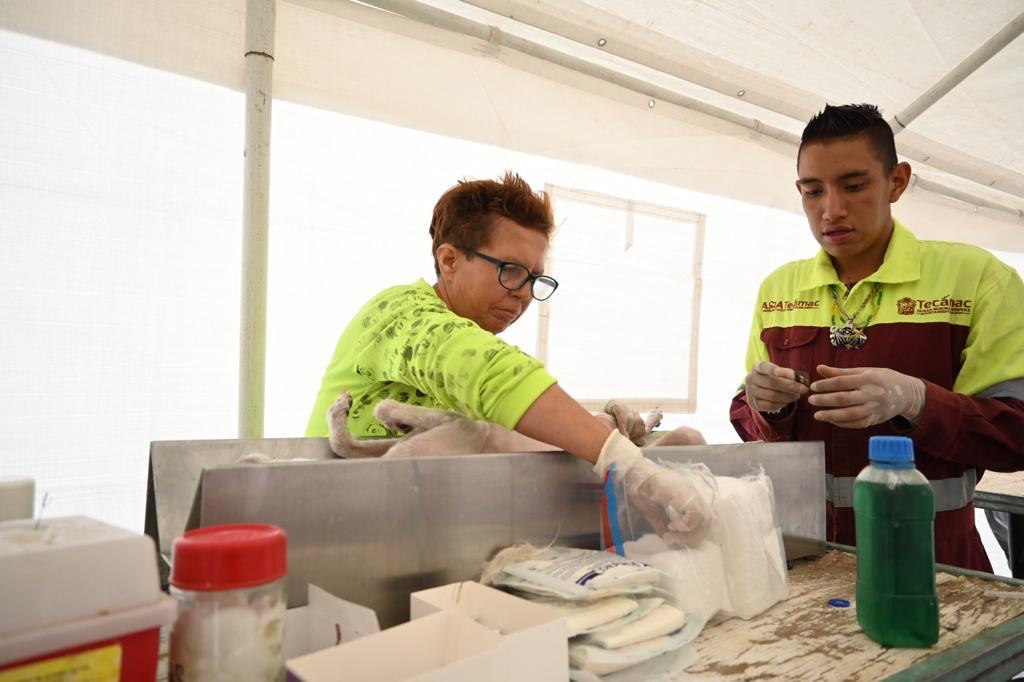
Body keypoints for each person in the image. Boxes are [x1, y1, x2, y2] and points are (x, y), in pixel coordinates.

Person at [306, 171, 713, 547]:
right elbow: (489, 373)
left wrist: (606, 426)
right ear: (449, 260)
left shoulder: (473, 337)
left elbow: (507, 410)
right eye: (512, 270)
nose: (522, 293)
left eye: (535, 278)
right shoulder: (399, 314)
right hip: (341, 534)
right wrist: (633, 469)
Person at [730, 103, 1024, 572]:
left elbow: (1017, 432)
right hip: (804, 554)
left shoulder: (975, 278)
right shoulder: (779, 289)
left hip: (931, 560)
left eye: (854, 185)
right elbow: (750, 421)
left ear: (897, 181)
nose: (832, 210)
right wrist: (768, 406)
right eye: (812, 191)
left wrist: (917, 400)